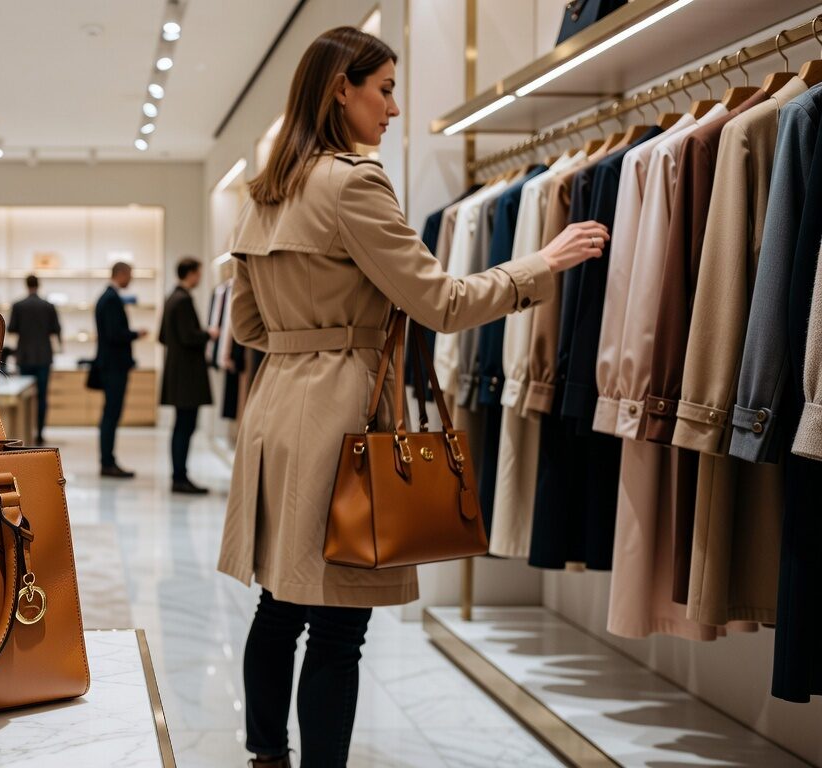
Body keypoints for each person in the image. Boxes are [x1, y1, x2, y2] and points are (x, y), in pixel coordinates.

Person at [214, 28, 608, 768]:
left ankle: (265, 755)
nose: (393, 107)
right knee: (337, 627)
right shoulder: (353, 184)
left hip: (274, 415)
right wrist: (541, 265)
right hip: (341, 419)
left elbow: (248, 325)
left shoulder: (261, 197)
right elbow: (442, 302)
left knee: (280, 604)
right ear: (342, 88)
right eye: (385, 88)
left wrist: (311, 333)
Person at [159, 257, 216, 494]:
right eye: (199, 273)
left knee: (181, 425)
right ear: (191, 273)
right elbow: (188, 336)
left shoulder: (172, 298)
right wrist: (208, 334)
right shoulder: (183, 300)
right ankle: (180, 477)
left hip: (177, 372)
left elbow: (163, 336)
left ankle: (179, 475)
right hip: (187, 374)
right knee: (185, 426)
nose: (200, 278)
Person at [93, 261, 147, 478]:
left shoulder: (108, 297)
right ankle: (108, 462)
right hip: (114, 366)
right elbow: (115, 334)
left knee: (111, 414)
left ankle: (108, 460)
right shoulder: (111, 299)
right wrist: (136, 334)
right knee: (111, 415)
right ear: (121, 274)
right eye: (130, 274)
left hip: (111, 365)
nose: (131, 279)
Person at [8, 274, 62, 444]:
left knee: (24, 396)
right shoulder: (48, 306)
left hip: (24, 356)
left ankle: (25, 431)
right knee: (42, 397)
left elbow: (11, 328)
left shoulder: (18, 306)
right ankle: (39, 433)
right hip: (44, 357)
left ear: (26, 285)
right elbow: (56, 329)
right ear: (39, 285)